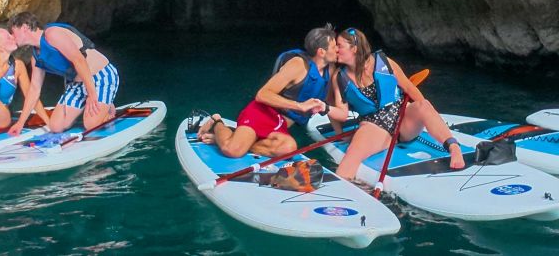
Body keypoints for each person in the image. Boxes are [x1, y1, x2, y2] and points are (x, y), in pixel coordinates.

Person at [327, 27, 465, 181]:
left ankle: (454, 147)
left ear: (354, 48)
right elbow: (336, 109)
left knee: (423, 105)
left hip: (403, 120)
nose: (335, 50)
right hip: (374, 127)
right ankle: (349, 192)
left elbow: (409, 89)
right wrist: (339, 135)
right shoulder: (339, 78)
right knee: (350, 158)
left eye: (339, 46)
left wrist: (432, 116)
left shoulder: (385, 63)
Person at [198, 24, 337, 158]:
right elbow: (262, 94)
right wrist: (300, 106)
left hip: (279, 124)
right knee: (233, 151)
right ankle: (216, 121)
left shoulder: (327, 72)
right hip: (262, 113)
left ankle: (239, 141)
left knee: (289, 148)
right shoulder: (298, 65)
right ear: (321, 52)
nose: (337, 49)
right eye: (334, 46)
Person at [7, 13, 119, 135]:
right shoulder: (36, 57)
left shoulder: (52, 34)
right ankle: (99, 104)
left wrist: (92, 94)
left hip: (99, 77)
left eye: (13, 32)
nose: (12, 37)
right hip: (76, 85)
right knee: (56, 126)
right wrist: (20, 123)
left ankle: (107, 107)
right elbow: (34, 89)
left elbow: (79, 60)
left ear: (24, 27)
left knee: (91, 125)